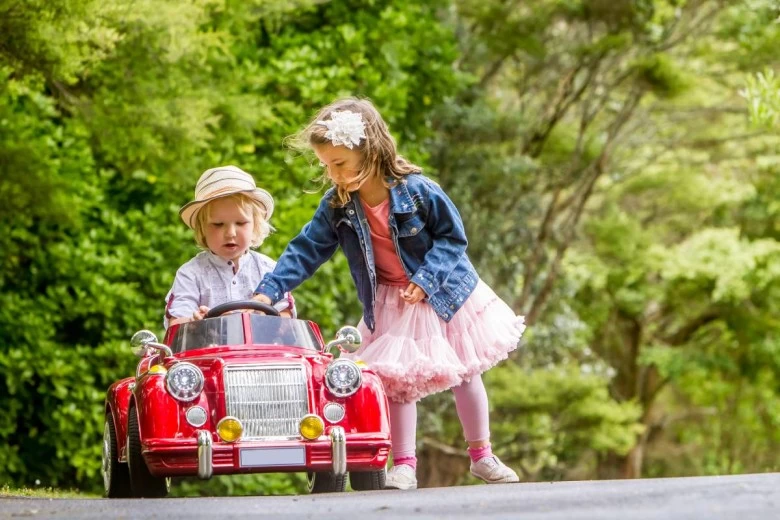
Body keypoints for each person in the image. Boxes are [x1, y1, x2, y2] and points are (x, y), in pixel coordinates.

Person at [252, 98, 525, 489]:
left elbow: (453, 238)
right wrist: (268, 292)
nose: (333, 174)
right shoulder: (338, 204)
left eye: (340, 164)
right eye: (327, 165)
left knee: (467, 372)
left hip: (444, 291)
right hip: (392, 299)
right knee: (396, 380)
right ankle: (404, 465)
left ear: (371, 151)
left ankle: (482, 456)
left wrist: (427, 278)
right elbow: (306, 249)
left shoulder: (418, 191)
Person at [164, 165, 295, 329]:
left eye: (240, 223)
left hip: (262, 352)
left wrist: (268, 321)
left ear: (255, 225)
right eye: (218, 224)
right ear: (202, 228)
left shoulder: (270, 271)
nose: (230, 233)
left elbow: (287, 322)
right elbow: (176, 325)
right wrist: (195, 323)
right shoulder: (190, 274)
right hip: (209, 352)